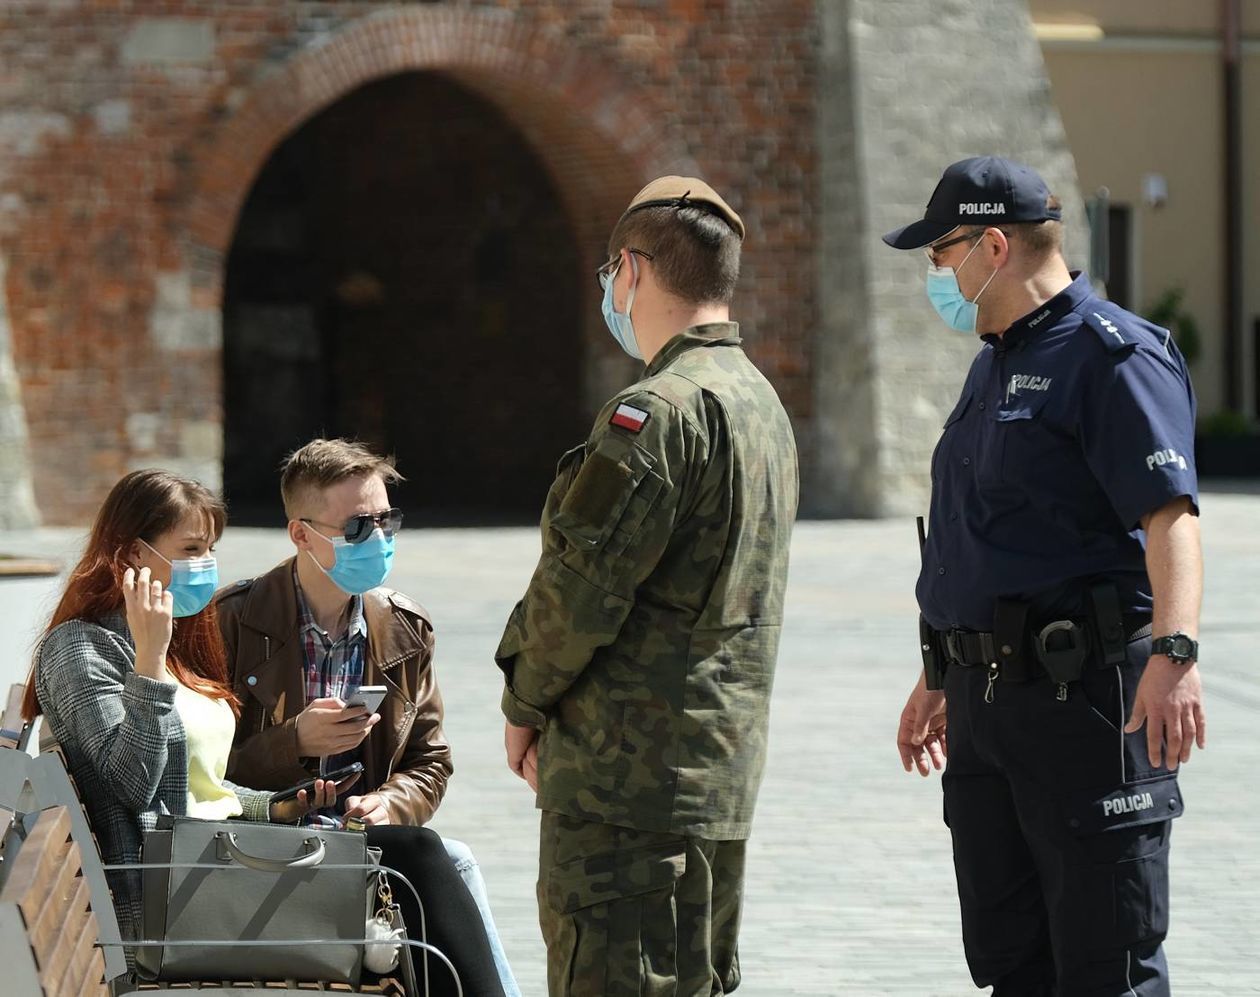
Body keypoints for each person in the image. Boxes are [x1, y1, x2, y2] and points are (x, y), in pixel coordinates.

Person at [885, 156, 1204, 996]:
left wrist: (1174, 656)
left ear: (994, 246)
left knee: (1106, 964)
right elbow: (984, 535)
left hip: (1087, 705)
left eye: (939, 252)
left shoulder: (1112, 358)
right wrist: (938, 673)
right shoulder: (991, 361)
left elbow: (1170, 517)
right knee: (1011, 961)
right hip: (989, 710)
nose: (934, 274)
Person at [495, 176, 798, 996]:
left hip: (625, 792)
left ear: (631, 270)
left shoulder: (657, 412)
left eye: (609, 275)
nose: (609, 292)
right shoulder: (760, 403)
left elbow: (579, 591)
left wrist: (524, 702)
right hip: (712, 778)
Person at [216, 437, 514, 997]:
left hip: (363, 844)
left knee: (444, 862)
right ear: (300, 534)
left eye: (387, 521)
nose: (376, 540)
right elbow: (197, 771)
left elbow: (430, 763)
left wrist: (388, 803)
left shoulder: (405, 627)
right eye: (356, 528)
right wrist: (293, 744)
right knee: (443, 862)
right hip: (257, 846)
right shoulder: (231, 621)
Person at [22, 469, 351, 972]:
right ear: (134, 553)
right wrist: (150, 663)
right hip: (173, 893)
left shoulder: (176, 640)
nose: (208, 565)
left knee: (413, 858)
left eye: (212, 549)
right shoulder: (81, 648)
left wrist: (272, 809)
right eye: (192, 549)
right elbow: (135, 784)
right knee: (413, 871)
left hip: (212, 864)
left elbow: (197, 784)